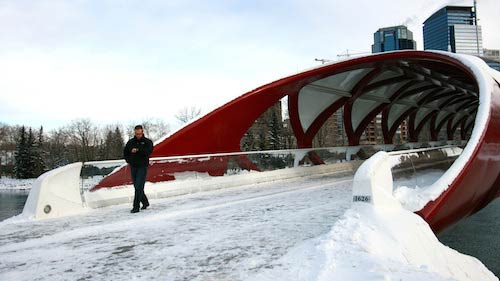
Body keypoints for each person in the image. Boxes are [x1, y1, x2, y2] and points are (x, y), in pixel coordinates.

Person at [124, 125, 154, 213]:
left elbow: (149, 151)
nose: (138, 135)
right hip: (133, 166)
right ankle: (145, 202)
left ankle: (136, 206)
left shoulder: (147, 142)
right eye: (137, 134)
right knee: (137, 186)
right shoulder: (130, 142)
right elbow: (125, 152)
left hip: (142, 166)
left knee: (138, 186)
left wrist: (138, 150)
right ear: (134, 132)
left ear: (142, 132)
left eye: (140, 134)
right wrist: (128, 160)